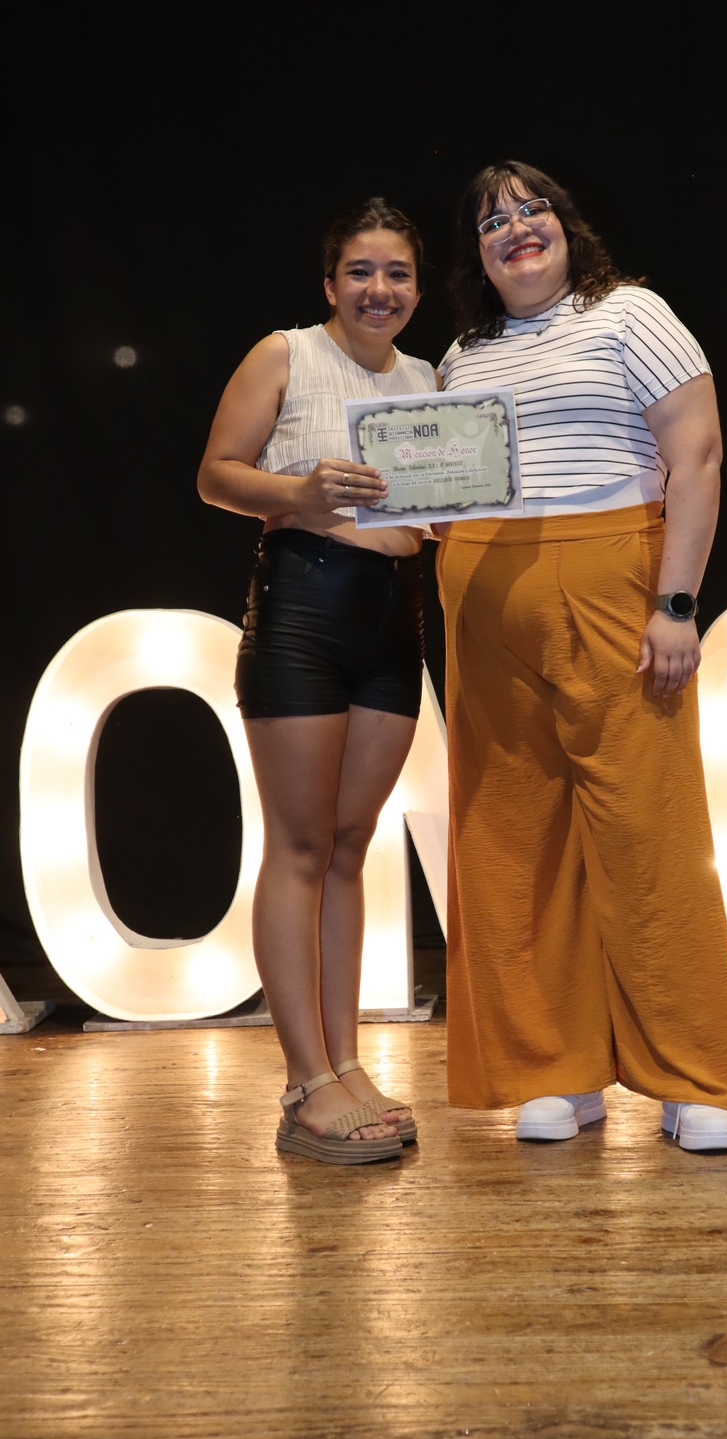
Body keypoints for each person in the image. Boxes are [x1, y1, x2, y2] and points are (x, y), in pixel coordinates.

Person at [436, 162, 727, 1150]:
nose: (517, 228)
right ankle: (553, 1069)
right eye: (493, 221)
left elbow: (696, 455)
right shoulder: (460, 356)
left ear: (568, 227)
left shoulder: (630, 315)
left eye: (533, 209)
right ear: (477, 254)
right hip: (483, 594)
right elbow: (441, 488)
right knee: (512, 838)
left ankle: (692, 1077)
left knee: (648, 833)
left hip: (612, 578)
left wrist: (675, 603)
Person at [198, 199, 437, 1164]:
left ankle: (346, 1062)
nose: (380, 289)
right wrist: (297, 493)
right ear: (330, 283)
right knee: (300, 846)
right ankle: (304, 1083)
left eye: (398, 273)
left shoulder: (428, 378)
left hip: (395, 617)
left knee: (349, 846)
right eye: (361, 271)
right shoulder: (285, 354)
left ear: (417, 288)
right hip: (303, 605)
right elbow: (216, 474)